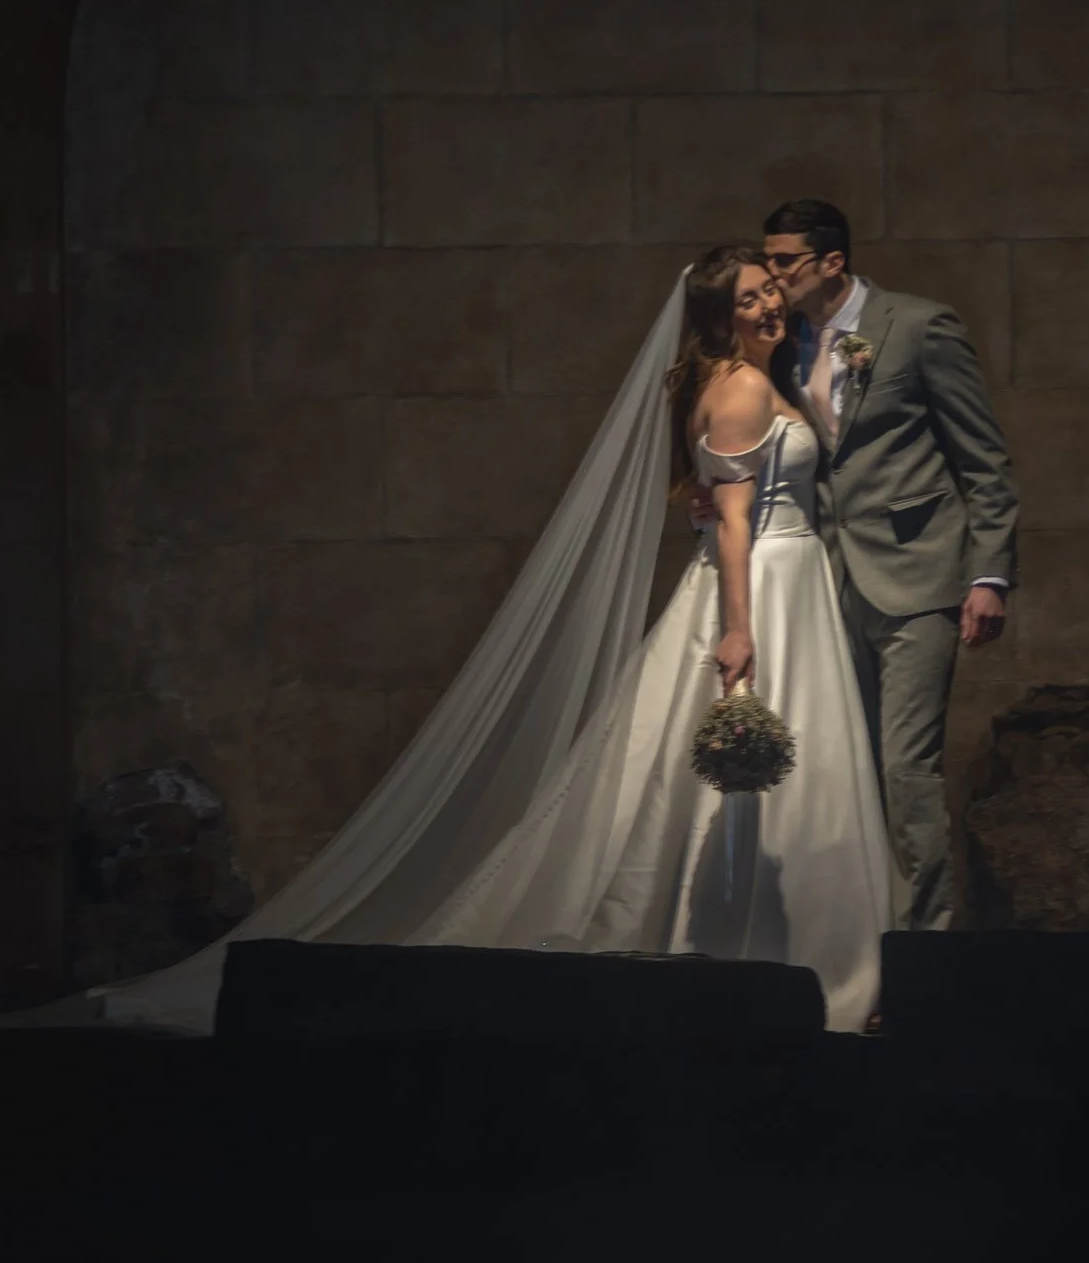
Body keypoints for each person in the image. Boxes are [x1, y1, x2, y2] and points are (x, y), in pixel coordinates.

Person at [83, 245, 899, 1034]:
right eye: (747, 296)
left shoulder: (753, 379)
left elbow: (716, 493)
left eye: (769, 289)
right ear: (719, 317)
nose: (766, 303)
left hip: (791, 578)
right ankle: (768, 953)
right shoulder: (744, 386)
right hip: (763, 586)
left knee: (786, 778)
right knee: (744, 780)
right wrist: (739, 627)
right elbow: (728, 518)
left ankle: (784, 946)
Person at [695, 200, 1019, 938]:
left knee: (906, 769)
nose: (772, 280)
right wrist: (703, 492)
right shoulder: (784, 343)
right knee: (843, 768)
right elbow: (747, 444)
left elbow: (984, 458)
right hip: (822, 583)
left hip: (918, 576)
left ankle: (926, 947)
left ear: (831, 262)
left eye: (783, 262)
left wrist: (989, 574)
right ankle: (852, 938)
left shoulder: (919, 326)